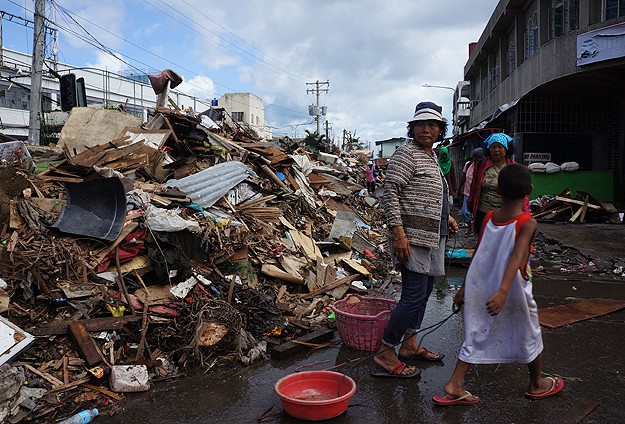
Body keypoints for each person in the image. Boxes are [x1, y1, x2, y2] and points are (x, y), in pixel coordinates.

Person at [433, 163, 564, 405]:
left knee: (476, 332)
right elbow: (517, 255)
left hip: (481, 285)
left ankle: (455, 384)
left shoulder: (490, 217)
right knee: (530, 332)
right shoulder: (527, 222)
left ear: (498, 191)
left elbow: (479, 252)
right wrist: (503, 291)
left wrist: (465, 288)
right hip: (512, 289)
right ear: (530, 190)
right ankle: (537, 384)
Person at [373, 101, 458, 378]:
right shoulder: (405, 154)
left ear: (440, 130)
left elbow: (428, 193)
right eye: (421, 124)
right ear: (412, 129)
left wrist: (446, 217)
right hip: (412, 237)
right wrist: (398, 234)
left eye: (433, 124)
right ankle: (386, 352)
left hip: (433, 236)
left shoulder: (431, 156)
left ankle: (409, 344)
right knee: (412, 297)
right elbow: (390, 194)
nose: (427, 129)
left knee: (424, 294)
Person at [467, 133, 529, 234]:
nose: (496, 150)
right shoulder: (481, 165)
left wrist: (525, 214)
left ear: (506, 149)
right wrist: (470, 205)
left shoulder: (514, 168)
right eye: (493, 147)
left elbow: (522, 195)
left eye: (500, 147)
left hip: (506, 213)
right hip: (483, 212)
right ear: (488, 149)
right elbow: (474, 187)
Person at [457, 148, 485, 227]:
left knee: (477, 213)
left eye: (478, 160)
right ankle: (470, 227)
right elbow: (463, 178)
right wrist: (458, 189)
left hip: (479, 194)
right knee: (465, 212)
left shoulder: (484, 168)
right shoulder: (468, 165)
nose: (476, 162)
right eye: (474, 160)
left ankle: (474, 228)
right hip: (468, 193)